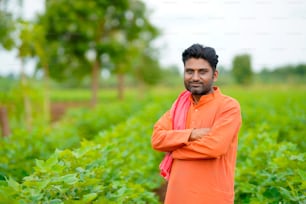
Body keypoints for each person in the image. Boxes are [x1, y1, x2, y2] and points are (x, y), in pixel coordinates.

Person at [151, 43, 242, 204]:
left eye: (202, 72)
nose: (195, 77)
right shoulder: (179, 106)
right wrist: (192, 134)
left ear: (214, 75)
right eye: (189, 71)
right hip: (176, 197)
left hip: (212, 197)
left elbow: (215, 147)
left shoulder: (228, 107)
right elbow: (157, 139)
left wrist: (174, 151)